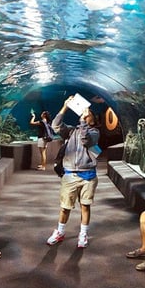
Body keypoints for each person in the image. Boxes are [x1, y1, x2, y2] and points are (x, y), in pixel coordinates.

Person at [46, 96, 101, 248]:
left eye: (88, 113)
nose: (85, 114)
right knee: (65, 207)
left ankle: (83, 234)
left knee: (85, 206)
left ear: (93, 119)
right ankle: (60, 231)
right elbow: (55, 126)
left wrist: (83, 122)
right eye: (83, 113)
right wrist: (65, 107)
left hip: (88, 176)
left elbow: (86, 140)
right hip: (70, 174)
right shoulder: (71, 131)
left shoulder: (95, 132)